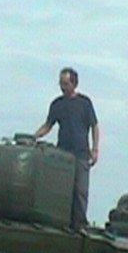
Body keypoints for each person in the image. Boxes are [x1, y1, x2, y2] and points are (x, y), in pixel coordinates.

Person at [34, 67, 100, 231]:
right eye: (60, 83)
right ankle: (60, 220)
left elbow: (95, 126)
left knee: (80, 190)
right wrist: (34, 136)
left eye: (65, 83)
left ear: (74, 83)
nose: (62, 87)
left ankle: (79, 224)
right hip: (62, 153)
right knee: (60, 188)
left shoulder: (85, 103)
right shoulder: (57, 104)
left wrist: (95, 149)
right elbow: (48, 125)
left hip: (81, 153)